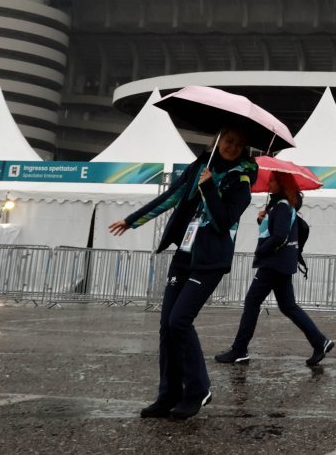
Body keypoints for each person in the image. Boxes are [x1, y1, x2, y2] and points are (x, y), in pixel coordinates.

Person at [108, 125, 257, 420]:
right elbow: (170, 197)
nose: (232, 146)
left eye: (238, 144)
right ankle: (168, 395)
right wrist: (132, 220)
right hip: (184, 256)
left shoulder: (241, 181)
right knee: (166, 327)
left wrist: (210, 187)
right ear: (216, 140)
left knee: (180, 321)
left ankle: (198, 390)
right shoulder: (198, 167)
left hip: (211, 260)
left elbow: (224, 220)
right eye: (228, 140)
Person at [215, 172, 334, 368]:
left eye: (272, 180)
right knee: (288, 306)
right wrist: (262, 220)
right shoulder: (281, 206)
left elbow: (279, 236)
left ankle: (239, 349)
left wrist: (261, 251)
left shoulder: (281, 207)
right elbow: (274, 231)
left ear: (281, 184)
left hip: (273, 263)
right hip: (281, 263)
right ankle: (320, 342)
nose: (269, 183)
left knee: (252, 302)